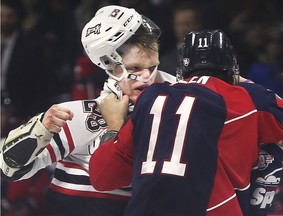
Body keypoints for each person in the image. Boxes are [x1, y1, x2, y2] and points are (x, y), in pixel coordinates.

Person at [88, 29, 283, 216]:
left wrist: (113, 126)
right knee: (274, 146)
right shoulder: (249, 97)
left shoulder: (150, 97)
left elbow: (102, 177)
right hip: (213, 209)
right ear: (232, 67)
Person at [0, 5, 175, 216]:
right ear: (111, 66)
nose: (148, 76)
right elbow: (8, 168)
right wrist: (38, 129)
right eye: (135, 68)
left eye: (152, 66)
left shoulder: (181, 100)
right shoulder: (81, 117)